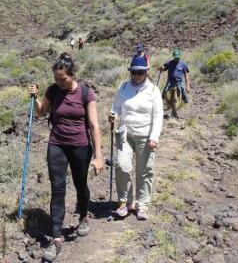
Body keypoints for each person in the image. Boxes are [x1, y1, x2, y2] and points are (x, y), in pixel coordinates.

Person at [27, 53, 104, 262]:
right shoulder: (53, 90)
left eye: (63, 79)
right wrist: (34, 98)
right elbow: (41, 113)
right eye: (56, 79)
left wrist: (98, 155)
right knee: (57, 189)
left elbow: (94, 126)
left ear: (72, 74)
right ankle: (56, 238)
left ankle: (84, 216)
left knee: (81, 185)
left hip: (80, 146)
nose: (59, 83)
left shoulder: (86, 94)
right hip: (57, 145)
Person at [108, 55, 163, 221]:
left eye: (140, 72)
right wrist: (113, 115)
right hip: (124, 133)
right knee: (121, 166)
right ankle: (124, 202)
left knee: (144, 171)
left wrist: (154, 137)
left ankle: (142, 205)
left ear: (146, 72)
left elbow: (158, 115)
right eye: (134, 72)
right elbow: (116, 106)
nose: (137, 75)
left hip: (145, 136)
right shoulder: (123, 87)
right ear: (130, 72)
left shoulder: (153, 90)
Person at [159, 49, 191, 119]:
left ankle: (174, 113)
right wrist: (162, 68)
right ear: (173, 56)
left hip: (179, 84)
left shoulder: (183, 64)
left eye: (178, 57)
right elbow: (164, 68)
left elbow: (186, 75)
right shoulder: (169, 63)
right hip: (170, 83)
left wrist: (187, 86)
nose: (177, 58)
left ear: (180, 56)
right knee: (164, 93)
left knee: (175, 99)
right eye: (175, 57)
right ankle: (166, 105)